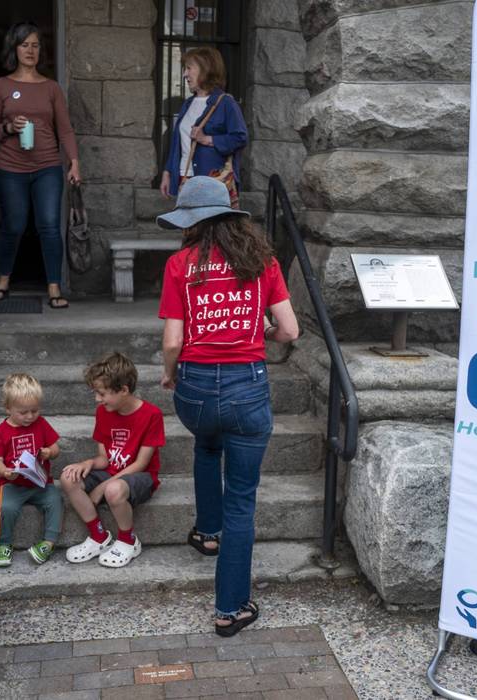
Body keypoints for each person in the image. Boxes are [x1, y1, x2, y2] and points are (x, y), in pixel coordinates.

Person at [157, 177, 300, 637]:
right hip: (247, 388)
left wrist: (170, 374)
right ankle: (230, 609)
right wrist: (262, 332)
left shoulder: (179, 264)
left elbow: (173, 341)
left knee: (206, 443)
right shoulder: (263, 262)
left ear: (191, 223)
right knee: (242, 500)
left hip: (195, 388)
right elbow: (290, 331)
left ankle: (207, 533)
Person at [0, 23, 81, 309]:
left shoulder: (51, 87)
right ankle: (3, 279)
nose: (30, 50)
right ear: (14, 49)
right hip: (10, 167)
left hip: (48, 166)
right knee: (13, 225)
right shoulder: (2, 85)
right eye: (25, 45)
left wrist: (74, 162)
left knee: (49, 225)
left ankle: (54, 287)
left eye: (35, 45)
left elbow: (65, 129)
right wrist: (9, 127)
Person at [60, 353, 165, 568]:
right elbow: (105, 459)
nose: (97, 399)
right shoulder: (104, 412)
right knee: (68, 477)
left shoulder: (152, 415)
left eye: (101, 393)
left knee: (113, 490)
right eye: (95, 393)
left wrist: (102, 487)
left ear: (123, 390)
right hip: (111, 473)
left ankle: (128, 541)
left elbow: (141, 464)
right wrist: (87, 464)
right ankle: (98, 536)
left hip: (139, 477)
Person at [0, 373, 63, 567]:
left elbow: (55, 448)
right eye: (23, 412)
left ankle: (48, 543)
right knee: (6, 508)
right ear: (8, 408)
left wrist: (49, 452)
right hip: (12, 484)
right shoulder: (1, 432)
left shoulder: (41, 423)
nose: (30, 416)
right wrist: (5, 471)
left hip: (40, 482)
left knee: (56, 500)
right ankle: (3, 544)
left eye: (34, 410)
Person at [159, 47, 248, 203]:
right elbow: (177, 143)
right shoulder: (187, 104)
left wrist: (207, 139)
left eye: (189, 68)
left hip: (212, 180)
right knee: (187, 219)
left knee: (210, 220)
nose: (185, 74)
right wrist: (167, 173)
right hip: (184, 177)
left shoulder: (226, 103)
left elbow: (240, 138)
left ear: (206, 69)